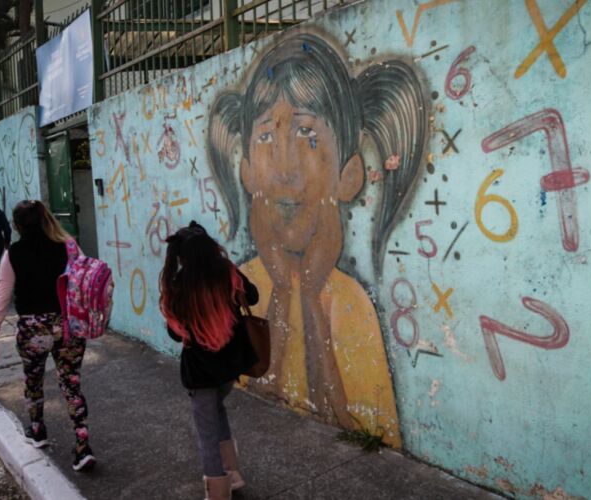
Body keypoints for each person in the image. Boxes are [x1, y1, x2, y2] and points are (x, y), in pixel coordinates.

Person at [207, 32, 429, 446]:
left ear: (349, 176)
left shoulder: (351, 305)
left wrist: (310, 297)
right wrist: (282, 291)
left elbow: (363, 436)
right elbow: (254, 401)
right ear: (248, 171)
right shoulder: (241, 285)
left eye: (308, 136)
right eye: (267, 138)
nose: (284, 169)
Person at [0, 200, 95, 472]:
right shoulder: (68, 247)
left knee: (33, 380)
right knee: (71, 383)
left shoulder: (13, 254)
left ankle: (38, 430)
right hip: (66, 326)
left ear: (17, 225)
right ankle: (82, 446)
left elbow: (1, 293)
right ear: (47, 220)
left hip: (32, 329)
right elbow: (83, 283)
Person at [160, 222, 259, 500]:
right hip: (230, 364)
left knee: (206, 432)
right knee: (218, 412)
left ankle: (218, 492)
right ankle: (233, 473)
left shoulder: (179, 285)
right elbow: (253, 296)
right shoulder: (227, 272)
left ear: (181, 256)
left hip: (200, 371)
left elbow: (175, 334)